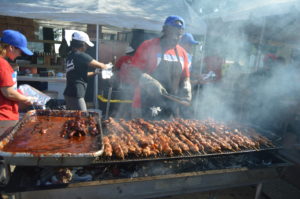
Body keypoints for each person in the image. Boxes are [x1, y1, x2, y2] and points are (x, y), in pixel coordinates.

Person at [128, 15, 192, 119]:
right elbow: (133, 71)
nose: (176, 37)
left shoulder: (182, 53)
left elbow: (185, 77)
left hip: (170, 106)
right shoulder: (148, 46)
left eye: (179, 34)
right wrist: (149, 82)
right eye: (173, 32)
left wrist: (186, 87)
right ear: (165, 30)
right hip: (146, 103)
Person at [63, 31, 112, 111]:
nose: (87, 47)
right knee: (83, 118)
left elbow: (79, 74)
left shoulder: (70, 56)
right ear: (82, 44)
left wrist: (94, 73)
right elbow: (101, 66)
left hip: (69, 93)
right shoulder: (81, 55)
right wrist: (109, 65)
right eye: (86, 45)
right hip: (76, 93)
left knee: (73, 118)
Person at [0, 29, 34, 120]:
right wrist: (26, 99)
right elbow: (8, 92)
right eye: (20, 51)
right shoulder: (2, 64)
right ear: (11, 47)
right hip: (4, 117)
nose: (20, 55)